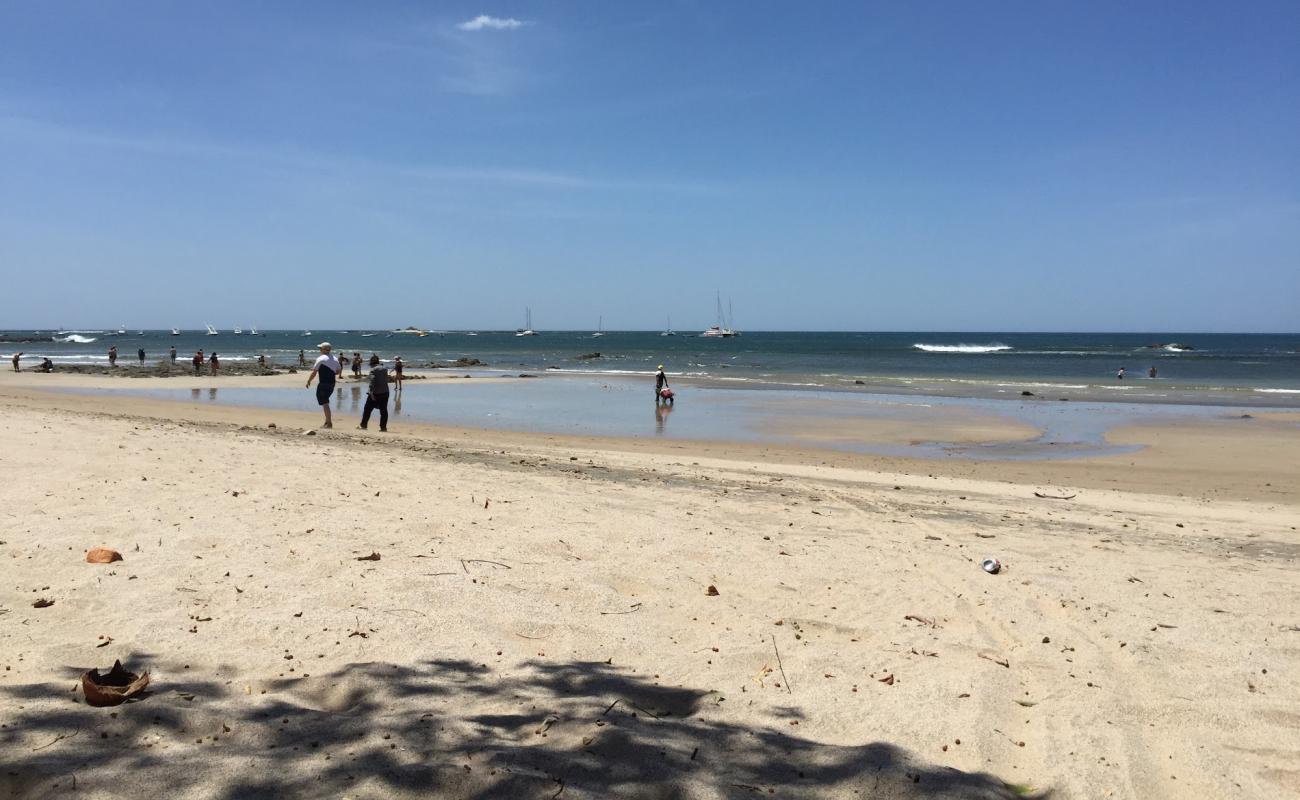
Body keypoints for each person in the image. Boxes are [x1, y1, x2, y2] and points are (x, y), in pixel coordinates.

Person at [306, 342, 341, 428]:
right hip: (332, 383)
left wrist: (309, 381)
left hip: (323, 383)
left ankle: (329, 423)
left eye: (320, 348)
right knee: (326, 401)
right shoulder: (335, 359)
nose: (320, 350)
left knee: (325, 403)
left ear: (325, 350)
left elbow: (314, 372)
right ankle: (326, 422)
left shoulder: (321, 358)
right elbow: (338, 371)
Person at [359, 355, 390, 431]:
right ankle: (383, 428)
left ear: (371, 363)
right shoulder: (384, 368)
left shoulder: (373, 370)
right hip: (385, 392)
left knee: (367, 409)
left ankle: (363, 425)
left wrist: (371, 392)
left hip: (376, 393)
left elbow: (372, 381)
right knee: (383, 411)